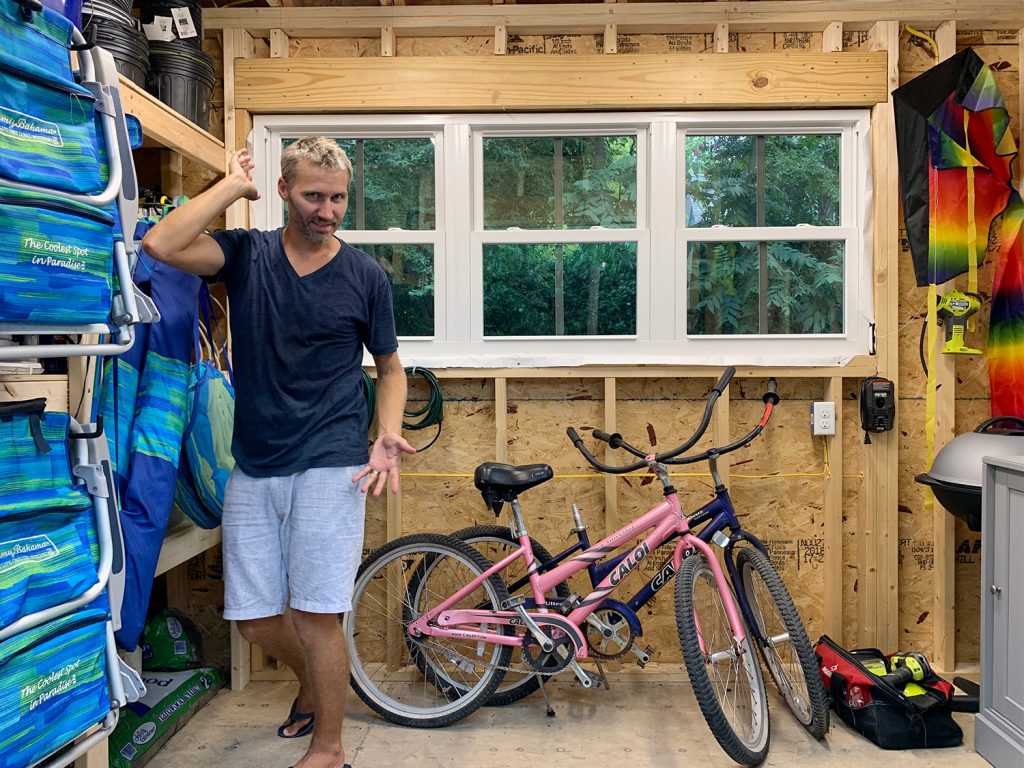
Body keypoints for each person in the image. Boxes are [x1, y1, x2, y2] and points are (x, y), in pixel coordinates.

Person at [142, 137, 415, 768]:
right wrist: (231, 187)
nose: (328, 210)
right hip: (255, 462)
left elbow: (392, 368)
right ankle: (315, 689)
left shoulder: (365, 276)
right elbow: (160, 245)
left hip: (331, 459)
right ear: (286, 191)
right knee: (255, 618)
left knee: (316, 613)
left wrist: (384, 436)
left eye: (339, 197)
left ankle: (331, 747)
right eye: (315, 196)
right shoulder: (245, 254)